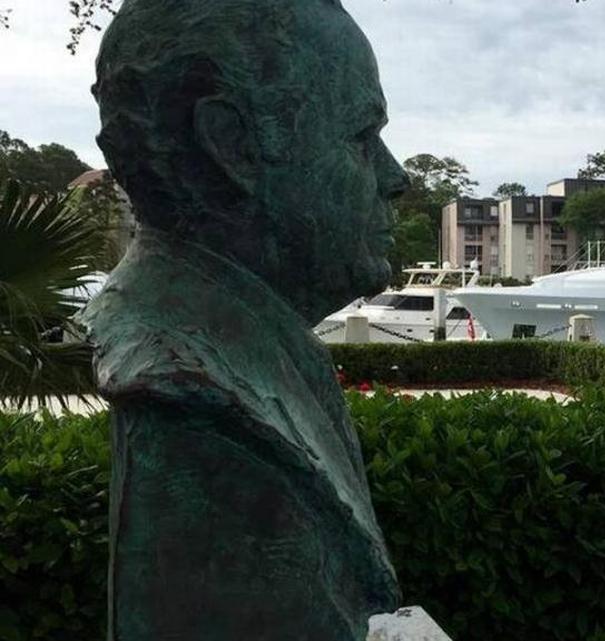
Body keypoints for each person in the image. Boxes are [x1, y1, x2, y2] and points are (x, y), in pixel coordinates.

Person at [81, 0, 407, 638]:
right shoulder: (192, 393)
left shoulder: (245, 346)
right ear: (232, 144)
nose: (395, 177)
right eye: (361, 137)